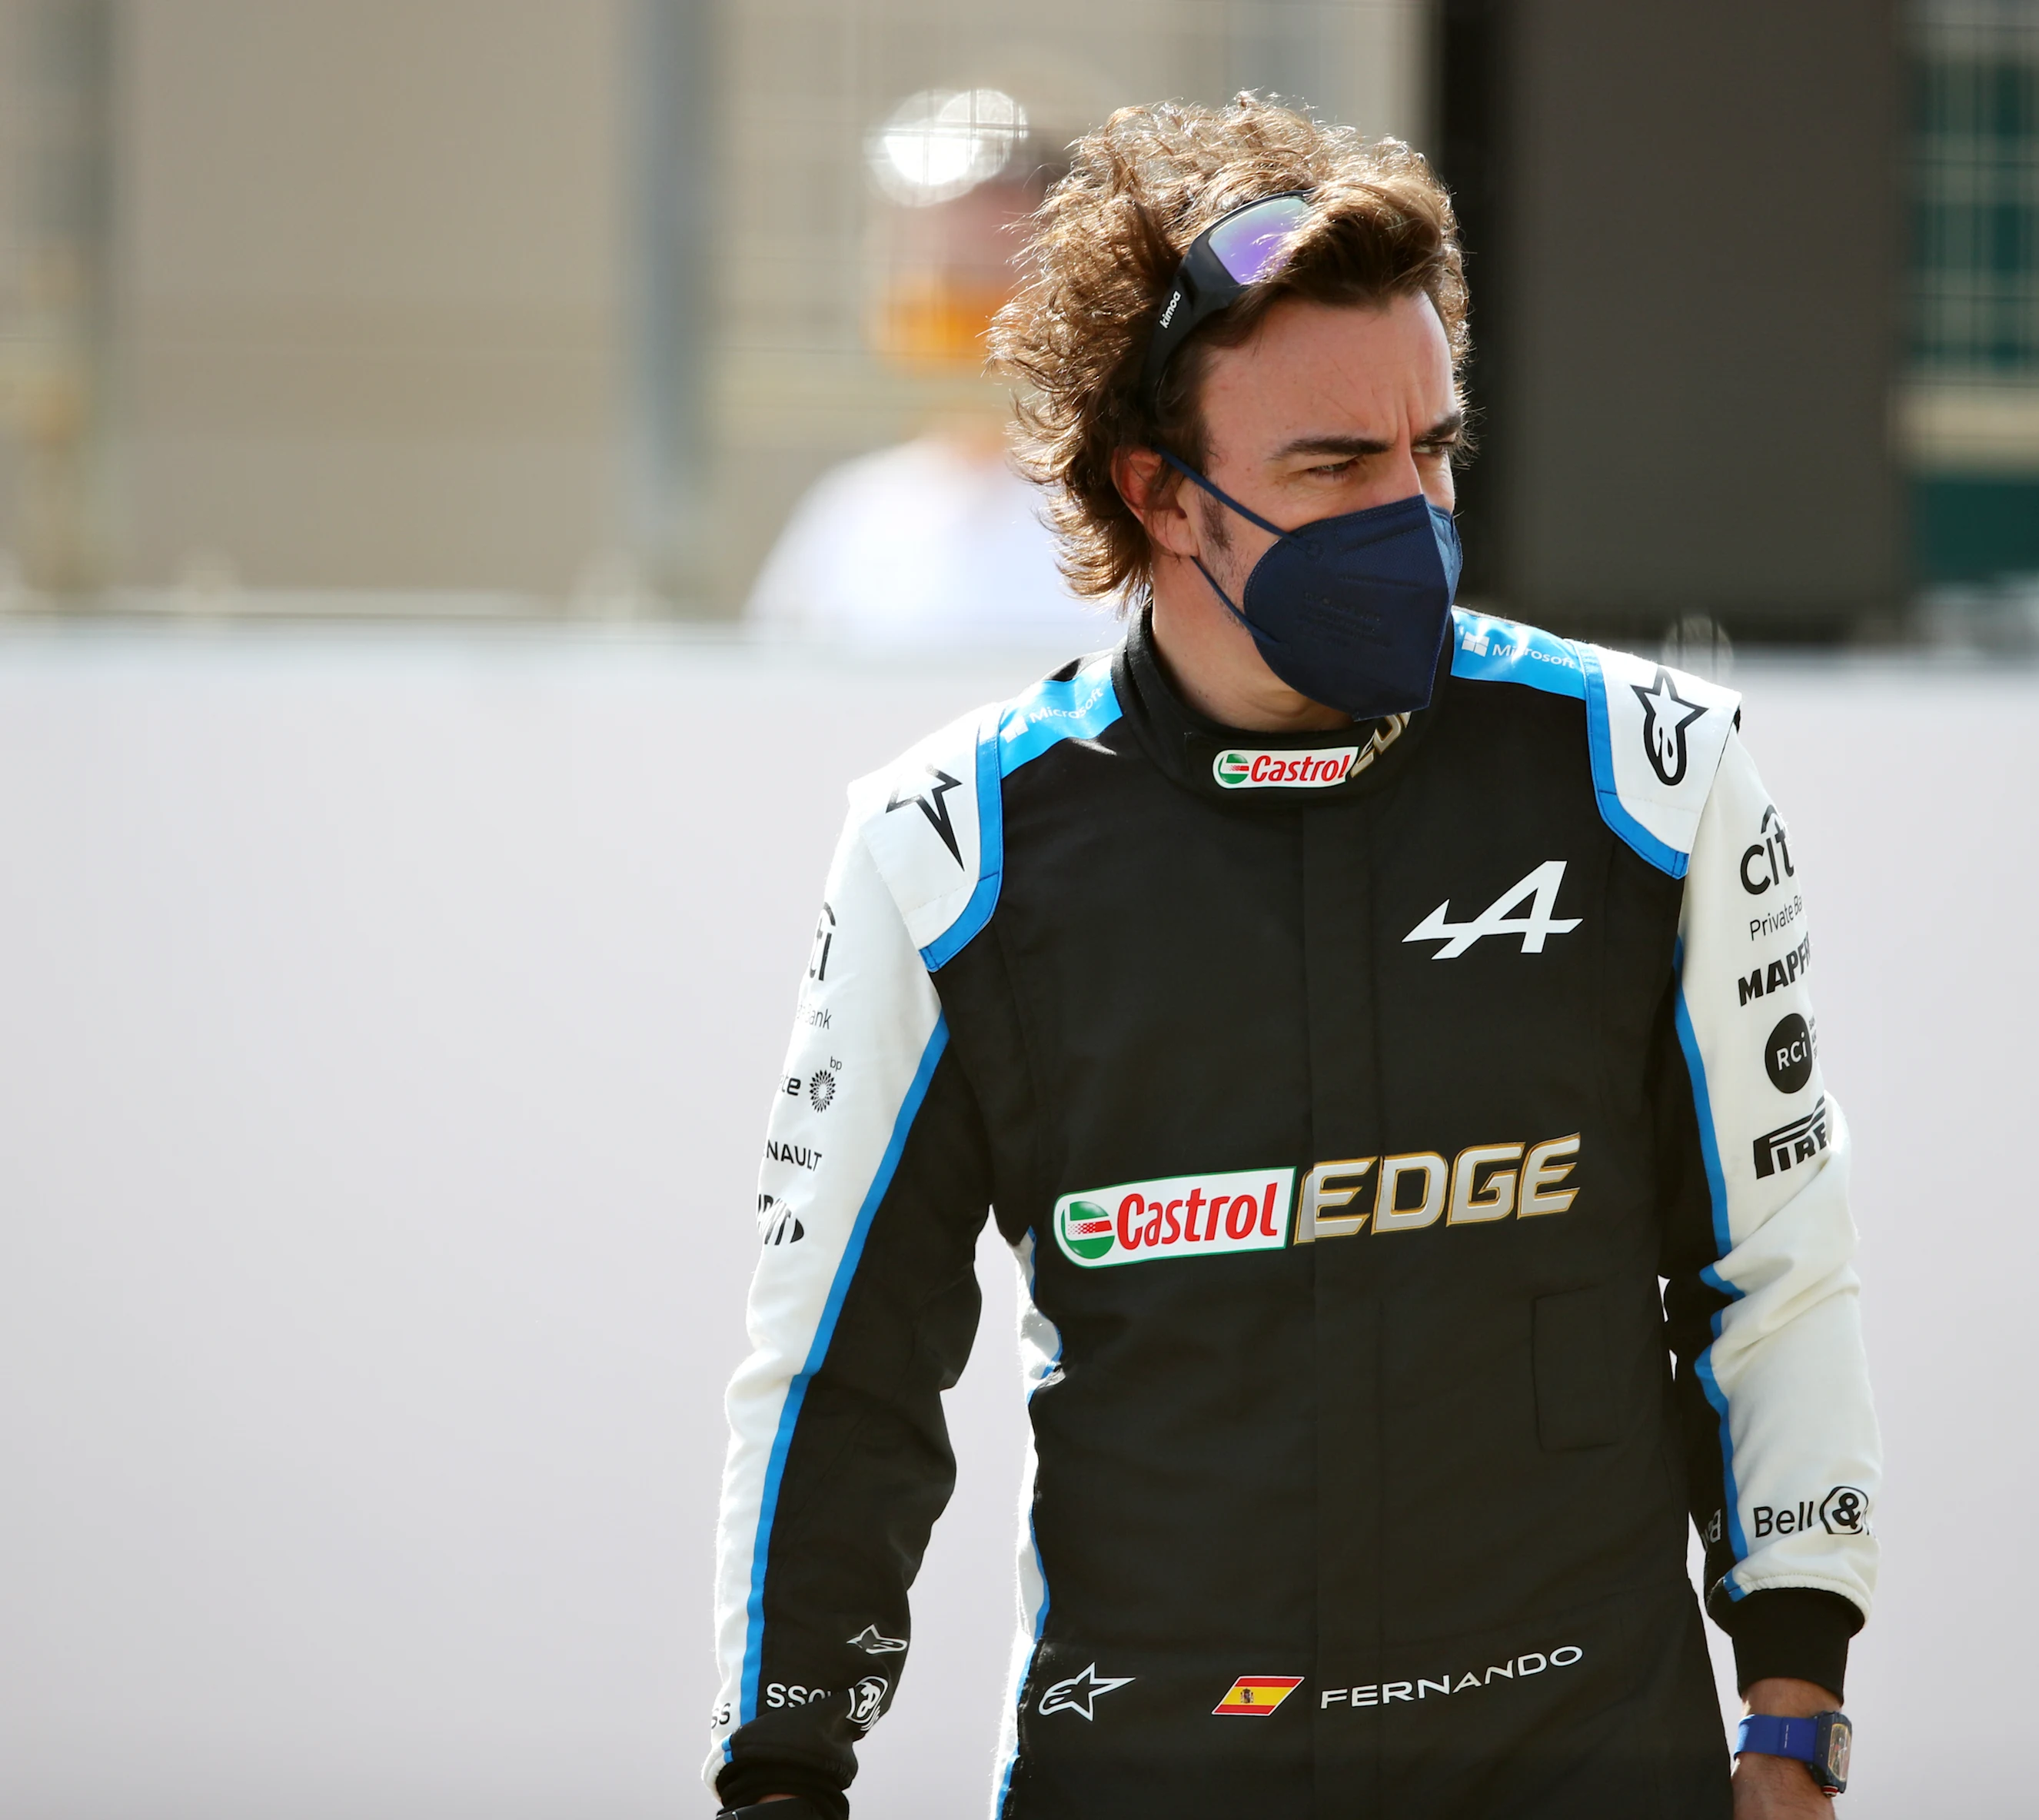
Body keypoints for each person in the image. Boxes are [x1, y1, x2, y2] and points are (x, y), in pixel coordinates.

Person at [706, 95, 1880, 1820]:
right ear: (1155, 494)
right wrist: (784, 1772)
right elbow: (840, 1367)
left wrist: (1794, 1716)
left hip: (1582, 1759)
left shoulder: (1650, 772)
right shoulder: (948, 847)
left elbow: (1773, 1269)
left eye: (1432, 451)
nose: (1408, 511)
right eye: (1333, 469)